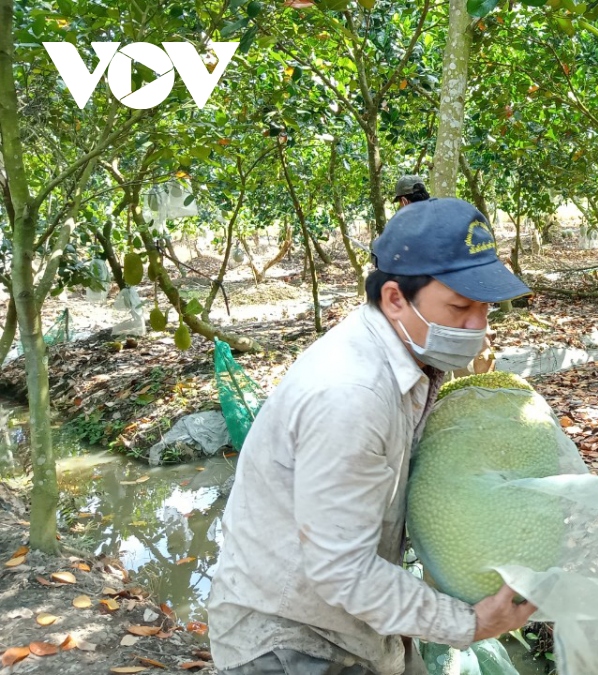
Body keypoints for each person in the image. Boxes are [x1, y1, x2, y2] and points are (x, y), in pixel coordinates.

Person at [208, 199, 536, 675]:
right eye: (460, 307)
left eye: (486, 307)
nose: (479, 328)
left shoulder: (411, 355)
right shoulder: (351, 395)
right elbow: (341, 569)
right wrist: (469, 623)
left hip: (354, 621)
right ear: (395, 298)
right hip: (291, 640)